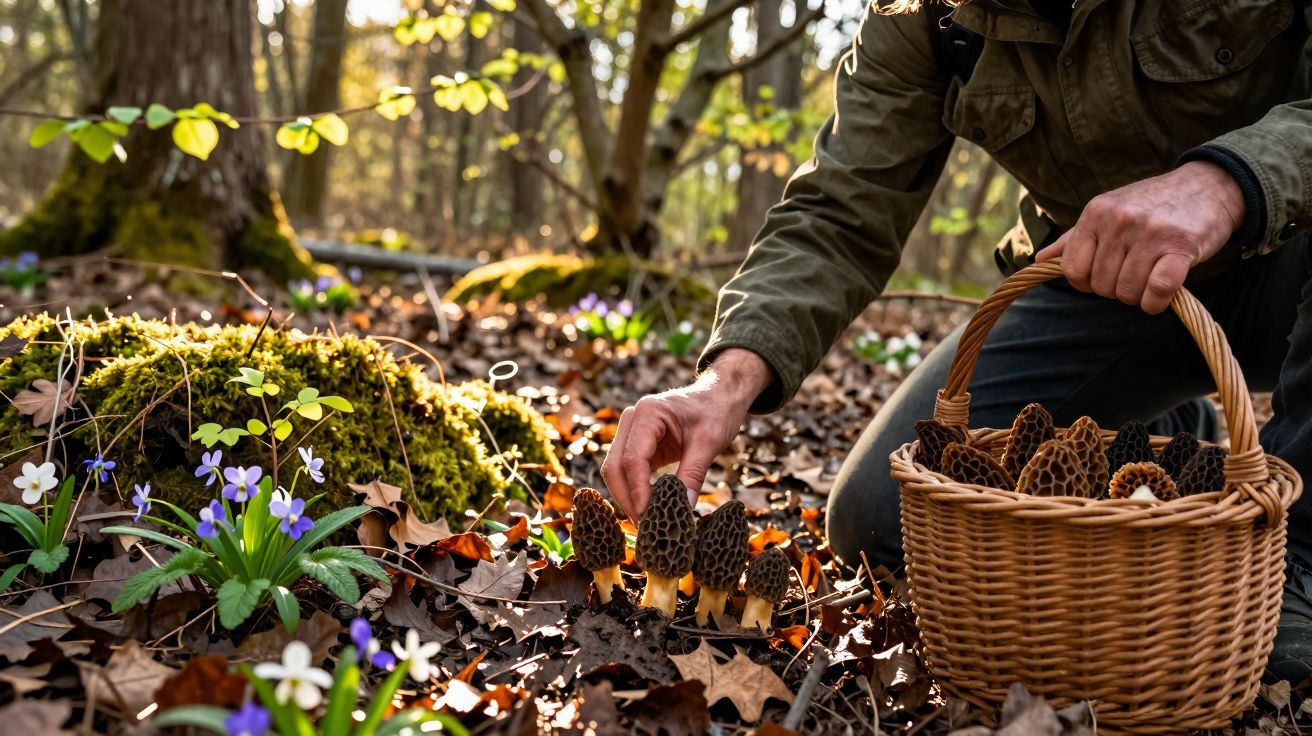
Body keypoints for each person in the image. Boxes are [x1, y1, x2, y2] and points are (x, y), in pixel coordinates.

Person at [602, 0, 1312, 681]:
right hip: (1101, 293)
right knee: (885, 522)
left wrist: (1226, 183)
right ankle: (1156, 440)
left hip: (1290, 261)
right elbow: (842, 207)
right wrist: (722, 383)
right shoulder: (924, 15)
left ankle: (1302, 558)